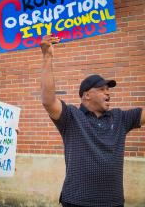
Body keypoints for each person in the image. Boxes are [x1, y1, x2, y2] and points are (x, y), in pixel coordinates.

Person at [40, 35, 145, 207]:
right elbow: (48, 100)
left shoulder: (120, 118)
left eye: (108, 90)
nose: (108, 93)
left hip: (113, 203)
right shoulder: (71, 117)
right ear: (86, 95)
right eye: (102, 89)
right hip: (76, 201)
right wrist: (47, 57)